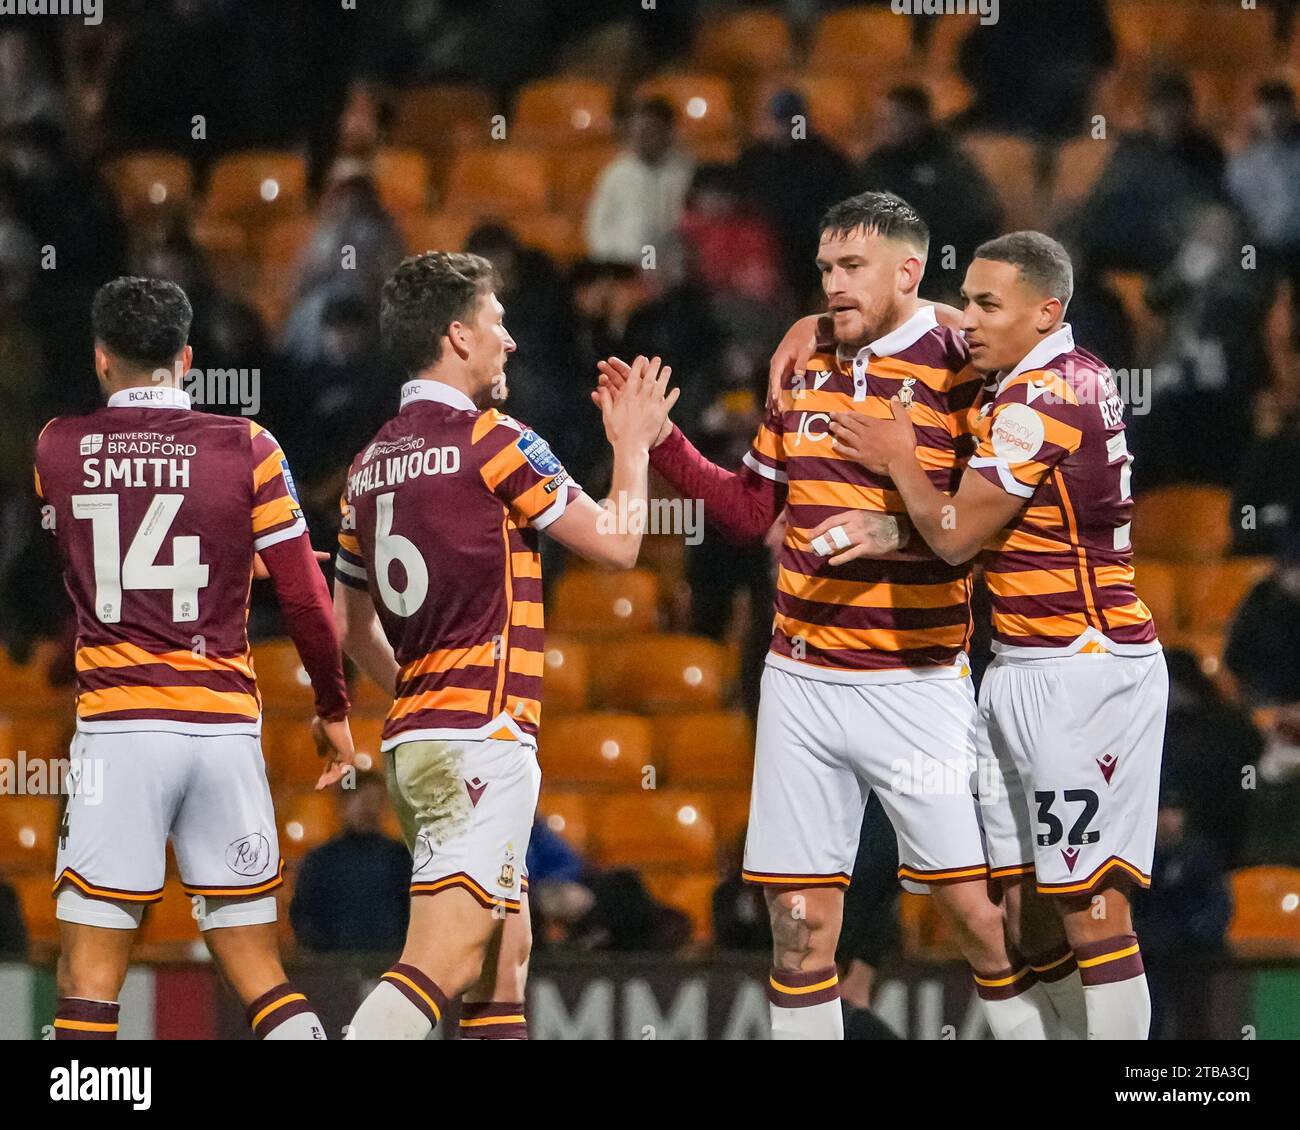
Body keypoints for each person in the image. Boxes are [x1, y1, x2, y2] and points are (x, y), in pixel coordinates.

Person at [598, 193, 1048, 1041]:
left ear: (908, 272)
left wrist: (898, 528)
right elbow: (747, 513)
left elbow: (1002, 513)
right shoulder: (805, 365)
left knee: (974, 914)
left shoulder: (968, 361)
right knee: (800, 928)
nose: (833, 285)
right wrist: (663, 443)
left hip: (917, 679)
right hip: (800, 679)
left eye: (852, 269)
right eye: (824, 270)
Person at [333, 251, 677, 1041]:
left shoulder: (366, 466)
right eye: (497, 322)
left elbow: (352, 626)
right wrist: (632, 445)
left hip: (417, 739)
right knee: (447, 958)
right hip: (479, 740)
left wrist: (422, 695)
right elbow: (619, 543)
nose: (510, 340)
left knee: (503, 961)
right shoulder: (494, 440)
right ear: (458, 336)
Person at [834, 231, 1167, 1039]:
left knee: (1091, 909)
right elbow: (992, 528)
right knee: (1025, 912)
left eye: (989, 305)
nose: (970, 321)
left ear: (1045, 312)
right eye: (968, 300)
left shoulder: (1040, 399)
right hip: (1020, 662)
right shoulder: (1046, 374)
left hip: (1083, 668)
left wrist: (900, 460)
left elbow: (955, 538)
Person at [35, 277, 355, 1041]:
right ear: (186, 359)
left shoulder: (56, 446)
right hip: (222, 734)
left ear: (101, 358)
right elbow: (307, 598)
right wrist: (332, 707)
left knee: (89, 980)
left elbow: (101, 553)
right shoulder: (250, 447)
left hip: (120, 733)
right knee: (258, 969)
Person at [857, 84, 1002, 301]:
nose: (885, 127)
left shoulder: (949, 163)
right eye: (882, 120)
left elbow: (978, 218)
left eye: (894, 119)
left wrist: (951, 273)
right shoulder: (876, 165)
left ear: (917, 118)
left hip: (939, 271)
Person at [289, 772, 411, 954]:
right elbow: (304, 914)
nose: (369, 808)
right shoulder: (321, 860)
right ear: (344, 804)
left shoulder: (400, 857)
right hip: (332, 964)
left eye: (376, 801)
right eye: (362, 799)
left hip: (389, 960)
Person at [584, 97, 694, 266]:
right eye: (638, 132)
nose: (642, 139)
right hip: (624, 262)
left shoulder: (687, 172)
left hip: (671, 265)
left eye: (651, 132)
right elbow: (599, 226)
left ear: (668, 133)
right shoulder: (616, 174)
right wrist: (610, 261)